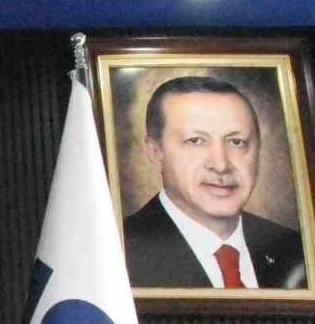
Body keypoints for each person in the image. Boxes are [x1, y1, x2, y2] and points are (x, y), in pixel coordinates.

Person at [123, 75, 305, 290]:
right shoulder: (117, 251)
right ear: (156, 152)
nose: (221, 165)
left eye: (236, 142)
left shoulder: (297, 251)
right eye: (195, 141)